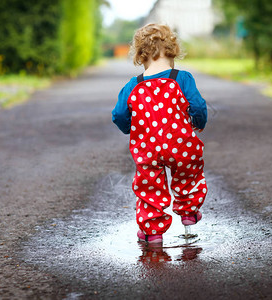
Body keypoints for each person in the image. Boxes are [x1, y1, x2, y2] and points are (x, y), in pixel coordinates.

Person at [112, 24, 208, 244]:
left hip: (147, 149)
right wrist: (198, 122)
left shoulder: (132, 85)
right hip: (182, 145)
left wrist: (131, 127)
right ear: (173, 52)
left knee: (149, 187)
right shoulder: (182, 78)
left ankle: (152, 232)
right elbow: (198, 106)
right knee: (188, 176)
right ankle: (189, 213)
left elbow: (118, 115)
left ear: (140, 56)